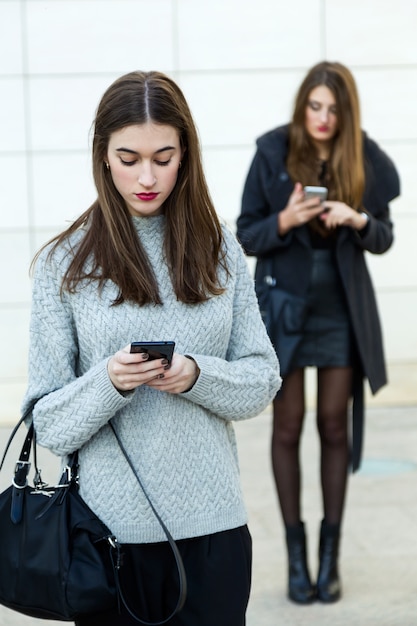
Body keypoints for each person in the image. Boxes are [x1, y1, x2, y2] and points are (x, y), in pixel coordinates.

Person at [22, 70, 281, 626]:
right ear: (103, 155)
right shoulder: (63, 265)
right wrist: (109, 381)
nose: (146, 176)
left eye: (163, 157)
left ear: (185, 153)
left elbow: (261, 381)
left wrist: (194, 375)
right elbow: (49, 424)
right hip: (107, 544)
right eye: (129, 157)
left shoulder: (222, 252)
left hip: (215, 536)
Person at [236, 61, 400, 605]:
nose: (323, 118)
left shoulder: (364, 157)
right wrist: (286, 219)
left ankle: (329, 560)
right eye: (315, 106)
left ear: (345, 112)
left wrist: (355, 220)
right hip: (285, 308)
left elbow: (383, 237)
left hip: (342, 309)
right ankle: (296, 559)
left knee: (334, 424)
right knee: (288, 426)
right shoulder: (273, 152)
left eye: (333, 109)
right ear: (302, 105)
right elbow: (247, 234)